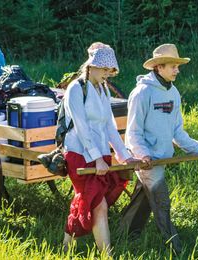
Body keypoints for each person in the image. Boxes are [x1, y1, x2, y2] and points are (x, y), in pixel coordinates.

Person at [120, 43, 198, 254]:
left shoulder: (174, 93)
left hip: (161, 158)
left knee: (142, 200)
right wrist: (143, 155)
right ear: (158, 67)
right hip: (148, 159)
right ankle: (177, 248)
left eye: (177, 66)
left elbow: (178, 132)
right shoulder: (142, 93)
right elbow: (133, 132)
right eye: (173, 66)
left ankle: (124, 235)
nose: (177, 70)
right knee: (162, 203)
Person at [62, 42, 139, 255]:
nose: (108, 74)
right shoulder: (76, 89)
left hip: (100, 155)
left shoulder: (103, 89)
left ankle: (66, 246)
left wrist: (124, 156)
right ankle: (107, 255)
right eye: (105, 69)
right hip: (79, 153)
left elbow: (109, 126)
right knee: (98, 204)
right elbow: (81, 127)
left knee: (88, 199)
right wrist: (96, 158)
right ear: (92, 66)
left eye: (110, 70)